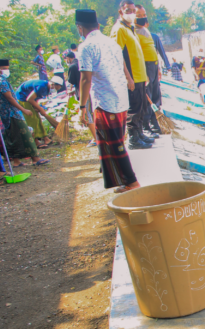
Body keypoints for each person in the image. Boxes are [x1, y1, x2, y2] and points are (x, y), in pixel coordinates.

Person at [77, 8, 142, 193]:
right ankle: (123, 181)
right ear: (97, 26)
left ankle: (132, 182)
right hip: (120, 98)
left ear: (80, 28)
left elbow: (85, 79)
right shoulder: (111, 43)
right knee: (115, 140)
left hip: (105, 100)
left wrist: (82, 107)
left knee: (114, 144)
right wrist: (129, 80)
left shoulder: (86, 47)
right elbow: (122, 65)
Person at [111, 0, 154, 149]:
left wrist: (145, 75)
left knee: (141, 108)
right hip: (132, 77)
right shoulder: (119, 30)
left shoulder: (130, 29)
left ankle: (139, 133)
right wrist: (127, 77)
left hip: (140, 76)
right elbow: (117, 55)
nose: (131, 13)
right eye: (127, 10)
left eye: (132, 10)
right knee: (134, 109)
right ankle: (133, 139)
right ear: (121, 12)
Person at [0, 59, 49, 167]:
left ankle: (16, 161)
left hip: (5, 114)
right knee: (25, 134)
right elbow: (10, 98)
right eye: (4, 68)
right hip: (12, 113)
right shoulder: (2, 81)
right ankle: (35, 158)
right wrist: (23, 110)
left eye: (7, 68)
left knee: (12, 137)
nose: (6, 71)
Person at [134, 5, 162, 137]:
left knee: (156, 94)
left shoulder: (145, 30)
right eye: (138, 16)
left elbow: (152, 49)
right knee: (147, 96)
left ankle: (155, 121)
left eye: (143, 15)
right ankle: (146, 126)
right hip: (144, 66)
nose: (142, 18)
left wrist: (158, 67)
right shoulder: (133, 31)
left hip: (154, 66)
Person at [16, 77, 65, 149]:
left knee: (38, 118)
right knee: (32, 119)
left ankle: (46, 139)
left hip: (30, 99)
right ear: (52, 84)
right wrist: (40, 109)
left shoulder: (47, 88)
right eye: (56, 88)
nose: (55, 90)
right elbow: (29, 99)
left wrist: (37, 107)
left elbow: (36, 97)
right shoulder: (42, 86)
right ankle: (35, 142)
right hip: (23, 98)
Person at [65, 53, 97, 146]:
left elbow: (74, 81)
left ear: (68, 58)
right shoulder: (84, 63)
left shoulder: (72, 67)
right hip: (93, 91)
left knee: (87, 115)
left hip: (84, 94)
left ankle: (96, 139)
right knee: (94, 114)